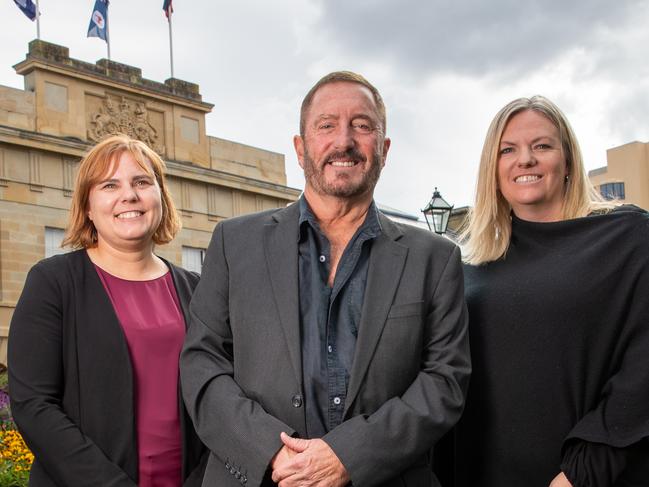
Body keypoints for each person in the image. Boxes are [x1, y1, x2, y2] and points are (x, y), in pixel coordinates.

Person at [180, 71, 471, 486]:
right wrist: (272, 454)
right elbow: (201, 364)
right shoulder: (234, 242)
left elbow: (445, 381)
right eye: (326, 125)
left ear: (384, 149)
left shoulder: (436, 259)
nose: (344, 141)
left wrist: (349, 456)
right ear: (300, 148)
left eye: (362, 125)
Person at [443, 96, 649, 486]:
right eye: (508, 150)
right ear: (494, 167)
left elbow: (642, 371)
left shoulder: (627, 237)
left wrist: (582, 471)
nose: (525, 160)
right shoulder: (470, 266)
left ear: (568, 160)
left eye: (542, 146)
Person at [8, 134, 206, 486]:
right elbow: (34, 405)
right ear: (87, 206)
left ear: (160, 196)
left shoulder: (198, 290)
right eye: (109, 185)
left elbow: (218, 397)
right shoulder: (53, 283)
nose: (128, 195)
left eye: (142, 182)